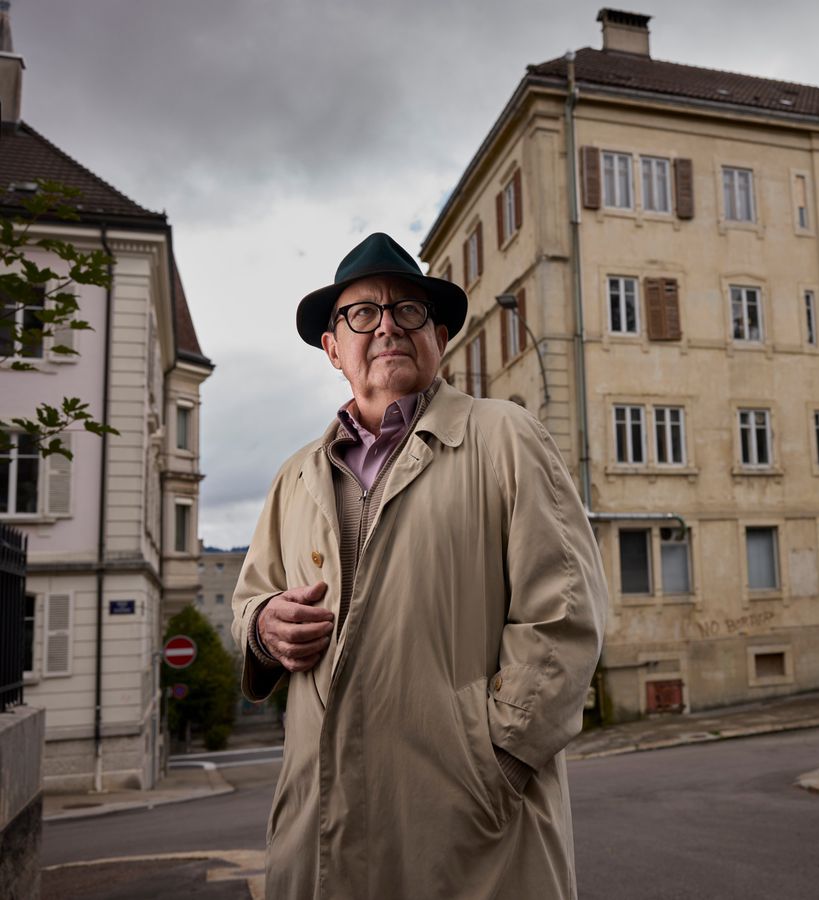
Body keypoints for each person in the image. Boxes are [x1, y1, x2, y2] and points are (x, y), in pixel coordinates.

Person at [232, 232, 607, 899]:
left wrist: (495, 761)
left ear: (438, 337)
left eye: (408, 312)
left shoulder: (503, 436)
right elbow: (249, 603)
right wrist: (264, 627)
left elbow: (564, 613)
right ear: (332, 347)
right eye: (362, 314)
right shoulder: (293, 479)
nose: (386, 327)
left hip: (470, 823)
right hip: (317, 833)